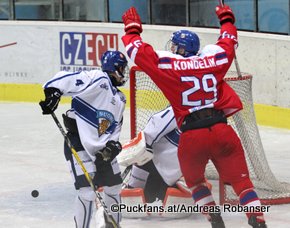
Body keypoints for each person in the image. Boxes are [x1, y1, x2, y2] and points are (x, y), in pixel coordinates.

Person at [121, 4, 267, 228]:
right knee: (242, 182)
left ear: (179, 49)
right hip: (222, 131)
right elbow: (229, 41)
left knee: (196, 183)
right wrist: (226, 18)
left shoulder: (168, 66)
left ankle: (215, 221)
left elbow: (137, 51)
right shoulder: (213, 60)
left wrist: (132, 30)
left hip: (192, 137)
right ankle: (258, 221)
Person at [39, 50, 128, 228]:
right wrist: (54, 93)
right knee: (87, 192)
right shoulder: (98, 78)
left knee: (114, 188)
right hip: (78, 141)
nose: (124, 73)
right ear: (113, 68)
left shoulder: (120, 98)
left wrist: (113, 146)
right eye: (122, 68)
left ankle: (112, 225)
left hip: (102, 151)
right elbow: (67, 78)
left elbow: (115, 128)